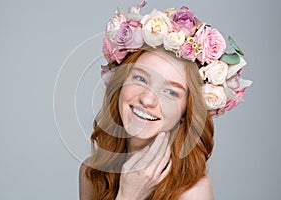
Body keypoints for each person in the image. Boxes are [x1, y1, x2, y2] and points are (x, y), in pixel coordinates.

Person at [79, 2, 252, 199]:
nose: (147, 99)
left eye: (171, 92)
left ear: (186, 110)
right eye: (141, 78)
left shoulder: (192, 193)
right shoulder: (92, 174)